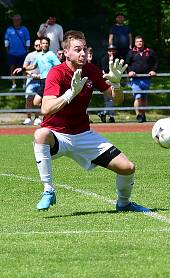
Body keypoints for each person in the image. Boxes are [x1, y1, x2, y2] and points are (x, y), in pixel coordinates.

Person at [32, 30, 147, 213]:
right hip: (57, 136)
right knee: (40, 134)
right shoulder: (57, 73)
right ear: (66, 53)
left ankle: (124, 204)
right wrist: (71, 94)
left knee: (128, 168)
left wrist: (117, 84)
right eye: (77, 49)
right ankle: (48, 190)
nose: (83, 53)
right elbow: (45, 109)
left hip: (83, 134)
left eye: (84, 49)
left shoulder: (92, 70)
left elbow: (117, 100)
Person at [125, 36, 158, 123]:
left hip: (146, 78)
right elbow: (127, 64)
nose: (139, 43)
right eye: (137, 41)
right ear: (135, 43)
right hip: (135, 79)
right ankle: (138, 115)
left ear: (143, 42)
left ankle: (143, 115)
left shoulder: (149, 52)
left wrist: (153, 70)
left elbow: (156, 62)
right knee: (138, 96)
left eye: (141, 41)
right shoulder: (131, 52)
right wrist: (130, 71)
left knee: (144, 98)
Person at [15, 38, 41, 125]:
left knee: (38, 99)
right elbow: (25, 67)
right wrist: (31, 74)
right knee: (29, 98)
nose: (38, 46)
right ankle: (28, 118)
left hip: (41, 79)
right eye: (36, 45)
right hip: (31, 80)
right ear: (34, 46)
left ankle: (37, 118)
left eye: (39, 44)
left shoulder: (46, 55)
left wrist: (40, 75)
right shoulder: (30, 55)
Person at [5, 13, 30, 89]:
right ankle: (14, 85)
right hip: (12, 53)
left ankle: (24, 84)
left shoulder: (24, 29)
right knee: (12, 68)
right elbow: (6, 40)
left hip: (22, 53)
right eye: (15, 20)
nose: (17, 21)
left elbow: (28, 40)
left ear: (20, 21)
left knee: (24, 68)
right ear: (13, 21)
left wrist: (27, 49)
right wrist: (7, 49)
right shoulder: (9, 29)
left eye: (18, 20)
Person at [97, 44, 119, 123]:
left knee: (112, 98)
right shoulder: (104, 59)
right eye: (110, 50)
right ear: (108, 51)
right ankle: (110, 116)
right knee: (108, 99)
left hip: (115, 81)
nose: (112, 52)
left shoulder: (117, 58)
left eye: (113, 50)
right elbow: (105, 70)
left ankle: (105, 114)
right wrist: (110, 61)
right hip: (106, 80)